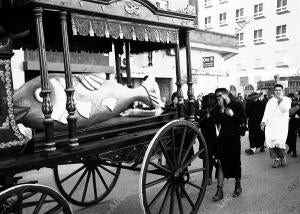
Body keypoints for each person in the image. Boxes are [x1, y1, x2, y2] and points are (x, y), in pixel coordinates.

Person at [212, 88, 246, 201]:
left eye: (220, 95)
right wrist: (221, 109)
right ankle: (219, 190)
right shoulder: (217, 107)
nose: (218, 98)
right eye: (217, 96)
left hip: (234, 138)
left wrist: (232, 115)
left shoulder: (237, 105)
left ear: (226, 95)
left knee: (235, 162)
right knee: (221, 163)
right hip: (222, 138)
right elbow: (216, 121)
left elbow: (242, 121)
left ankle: (238, 185)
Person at [260, 84, 291, 168]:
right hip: (271, 125)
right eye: (276, 90)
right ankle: (276, 159)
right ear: (274, 91)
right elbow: (266, 112)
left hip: (281, 125)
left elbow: (284, 110)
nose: (278, 91)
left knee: (280, 142)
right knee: (271, 142)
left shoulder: (287, 100)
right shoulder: (270, 101)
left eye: (279, 90)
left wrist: (280, 100)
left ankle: (282, 156)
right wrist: (263, 122)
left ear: (282, 91)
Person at [197, 93, 219, 185]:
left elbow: (217, 122)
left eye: (212, 99)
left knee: (209, 157)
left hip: (213, 136)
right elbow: (200, 124)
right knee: (206, 158)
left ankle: (208, 177)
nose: (210, 101)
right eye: (209, 99)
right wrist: (205, 116)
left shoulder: (216, 110)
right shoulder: (203, 110)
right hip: (204, 136)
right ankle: (208, 175)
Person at [286, 93, 300, 157]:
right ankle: (291, 147)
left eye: (289, 98)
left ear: (293, 98)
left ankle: (294, 151)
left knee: (293, 137)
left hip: (294, 123)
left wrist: (293, 116)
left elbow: (298, 115)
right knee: (287, 138)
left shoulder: (297, 105)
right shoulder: (286, 105)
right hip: (286, 123)